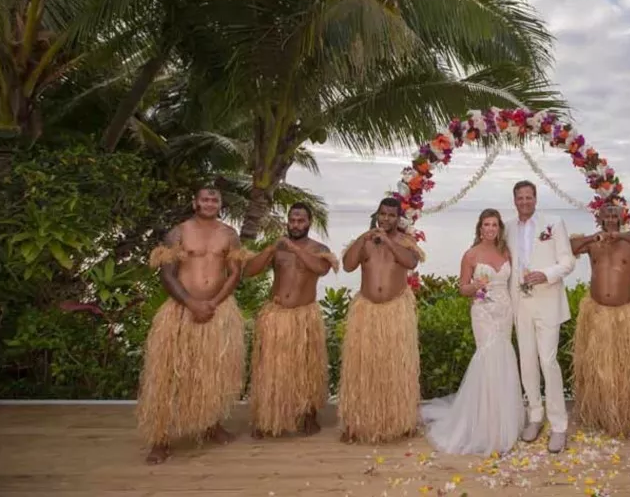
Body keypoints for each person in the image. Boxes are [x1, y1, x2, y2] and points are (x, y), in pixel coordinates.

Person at [136, 186, 251, 464]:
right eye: (205, 199)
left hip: (217, 311)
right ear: (195, 202)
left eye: (215, 199)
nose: (210, 203)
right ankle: (160, 438)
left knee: (212, 373)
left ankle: (210, 424)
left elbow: (235, 273)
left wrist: (212, 303)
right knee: (167, 376)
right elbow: (167, 274)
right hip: (180, 311)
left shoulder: (229, 235)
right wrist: (192, 303)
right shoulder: (178, 233)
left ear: (220, 203)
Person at [420, 209, 524, 455]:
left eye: (494, 225)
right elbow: (462, 288)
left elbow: (513, 282)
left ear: (499, 229)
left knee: (505, 357)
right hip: (483, 312)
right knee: (487, 359)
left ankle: (503, 421)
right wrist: (475, 286)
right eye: (486, 224)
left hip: (505, 310)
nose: (490, 229)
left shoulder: (506, 252)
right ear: (480, 228)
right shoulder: (471, 255)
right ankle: (484, 426)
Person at [569, 204, 630, 436]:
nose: (611, 219)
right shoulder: (593, 242)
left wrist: (620, 235)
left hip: (627, 315)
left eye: (615, 215)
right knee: (600, 369)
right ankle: (602, 413)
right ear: (599, 219)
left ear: (622, 218)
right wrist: (596, 236)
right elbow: (570, 247)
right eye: (607, 216)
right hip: (597, 314)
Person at [243, 203, 338, 439]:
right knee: (270, 369)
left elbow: (320, 268)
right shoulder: (277, 248)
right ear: (287, 221)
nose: (296, 225)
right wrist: (271, 250)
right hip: (275, 315)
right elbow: (249, 270)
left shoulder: (319, 249)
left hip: (304, 316)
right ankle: (267, 417)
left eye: (301, 221)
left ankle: (308, 414)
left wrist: (295, 249)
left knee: (306, 368)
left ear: (309, 223)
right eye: (292, 220)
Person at [338, 197, 424, 443]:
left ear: (399, 218)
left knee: (395, 369)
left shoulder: (406, 243)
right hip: (366, 312)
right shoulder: (365, 241)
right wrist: (362, 239)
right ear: (377, 214)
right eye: (382, 214)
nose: (386, 219)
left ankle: (401, 420)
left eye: (391, 215)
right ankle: (357, 423)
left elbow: (410, 262)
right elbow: (347, 265)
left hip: (395, 311)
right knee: (363, 368)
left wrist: (387, 241)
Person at [506, 180, 576, 453]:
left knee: (548, 362)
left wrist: (546, 274)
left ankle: (558, 425)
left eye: (528, 197)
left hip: (548, 302)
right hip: (519, 304)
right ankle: (535, 416)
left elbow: (567, 261)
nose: (524, 202)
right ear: (514, 201)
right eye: (520, 198)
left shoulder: (554, 223)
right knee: (527, 362)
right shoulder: (508, 227)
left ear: (535, 198)